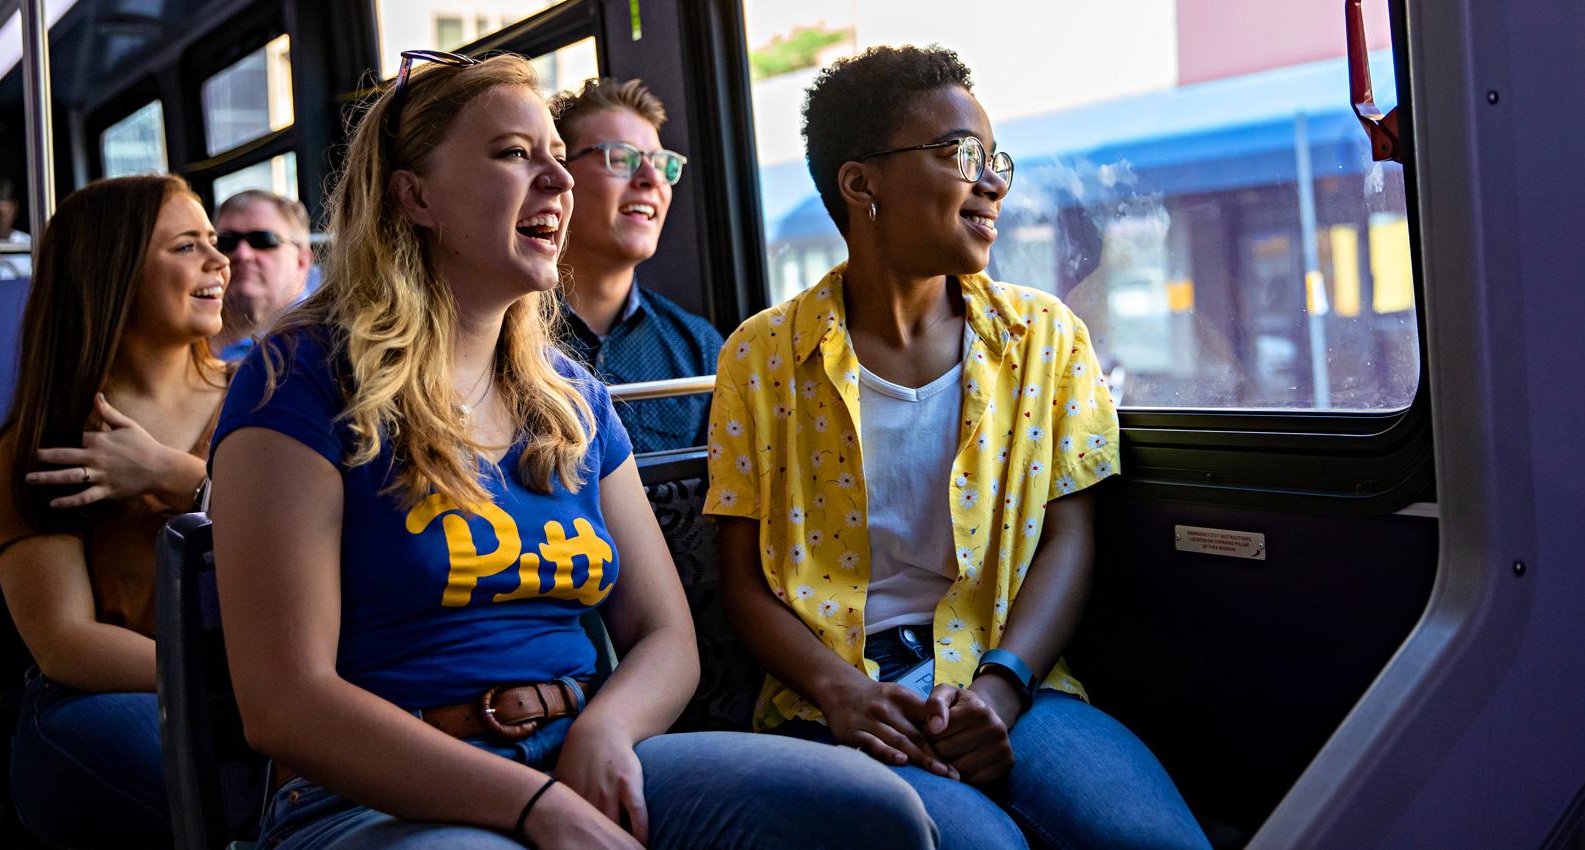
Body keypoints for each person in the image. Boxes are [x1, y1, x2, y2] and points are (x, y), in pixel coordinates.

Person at [208, 51, 936, 850]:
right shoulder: (300, 376)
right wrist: (534, 806)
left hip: (576, 747)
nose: (560, 181)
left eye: (558, 156)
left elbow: (666, 637)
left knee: (872, 813)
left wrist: (608, 731)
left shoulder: (571, 397)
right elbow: (286, 701)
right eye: (516, 155)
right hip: (377, 794)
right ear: (413, 195)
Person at [705, 46, 1212, 850]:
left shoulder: (1043, 338)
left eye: (996, 159)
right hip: (840, 697)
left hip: (1013, 675)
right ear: (861, 183)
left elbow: (1067, 535)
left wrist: (1004, 687)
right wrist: (842, 694)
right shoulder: (761, 357)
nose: (994, 182)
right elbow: (744, 581)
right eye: (960, 155)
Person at [0, 173, 232, 850]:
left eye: (213, 240)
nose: (220, 259)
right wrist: (241, 686)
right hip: (113, 691)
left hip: (264, 680)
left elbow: (323, 536)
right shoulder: (45, 439)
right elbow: (66, 641)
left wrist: (172, 477)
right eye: (187, 246)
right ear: (112, 271)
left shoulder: (265, 398)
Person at [549, 78, 722, 453]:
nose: (650, 179)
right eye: (621, 157)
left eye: (662, 164)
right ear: (558, 175)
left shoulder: (701, 350)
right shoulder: (497, 338)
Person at [209, 189, 313, 361]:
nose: (243, 254)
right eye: (226, 242)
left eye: (263, 240)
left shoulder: (326, 341)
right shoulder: (183, 341)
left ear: (302, 261)